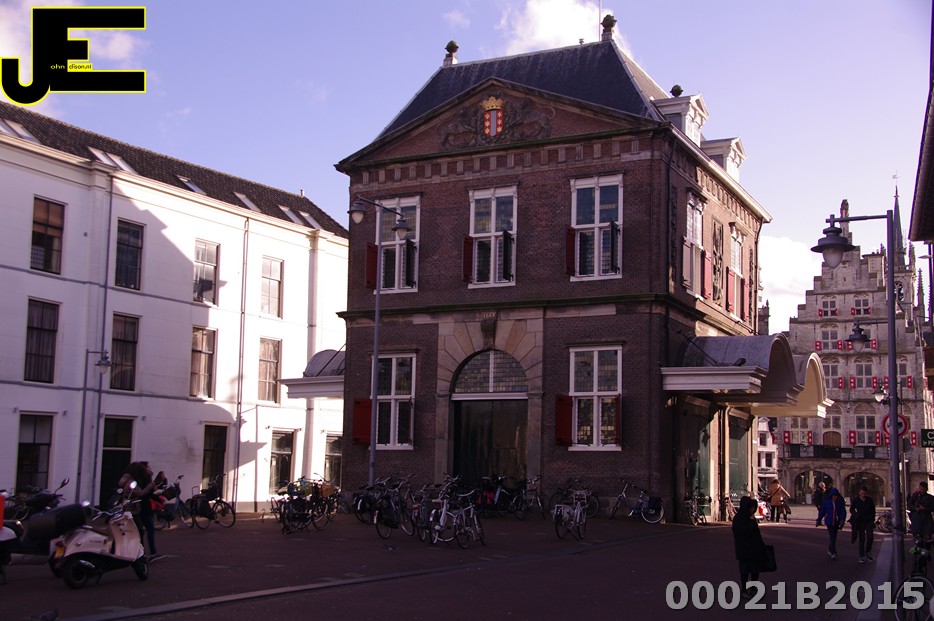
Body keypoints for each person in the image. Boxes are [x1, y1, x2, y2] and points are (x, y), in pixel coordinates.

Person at [118, 461, 160, 560]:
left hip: (131, 508)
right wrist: (150, 486)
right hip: (133, 509)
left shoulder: (127, 480)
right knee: (139, 531)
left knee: (138, 530)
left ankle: (140, 553)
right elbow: (140, 493)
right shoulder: (132, 482)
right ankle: (140, 554)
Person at [732, 495, 770, 598]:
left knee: (755, 569)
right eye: (751, 508)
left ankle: (753, 588)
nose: (753, 510)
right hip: (744, 548)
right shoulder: (739, 518)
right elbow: (745, 532)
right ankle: (744, 589)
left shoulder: (750, 517)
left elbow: (757, 533)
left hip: (754, 547)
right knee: (745, 570)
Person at [816, 487, 846, 560]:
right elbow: (822, 512)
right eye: (834, 495)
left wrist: (842, 520)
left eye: (836, 496)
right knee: (832, 536)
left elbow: (843, 512)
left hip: (836, 522)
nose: (835, 497)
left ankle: (830, 548)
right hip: (829, 522)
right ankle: (833, 552)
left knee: (834, 537)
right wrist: (819, 519)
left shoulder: (839, 503)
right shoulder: (826, 502)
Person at [849, 485, 876, 563]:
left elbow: (873, 510)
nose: (863, 495)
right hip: (860, 521)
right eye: (862, 493)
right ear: (859, 493)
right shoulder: (856, 500)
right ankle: (861, 555)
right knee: (862, 538)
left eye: (864, 493)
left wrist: (872, 519)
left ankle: (868, 551)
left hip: (869, 520)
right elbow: (851, 509)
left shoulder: (869, 500)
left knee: (870, 537)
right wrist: (855, 514)